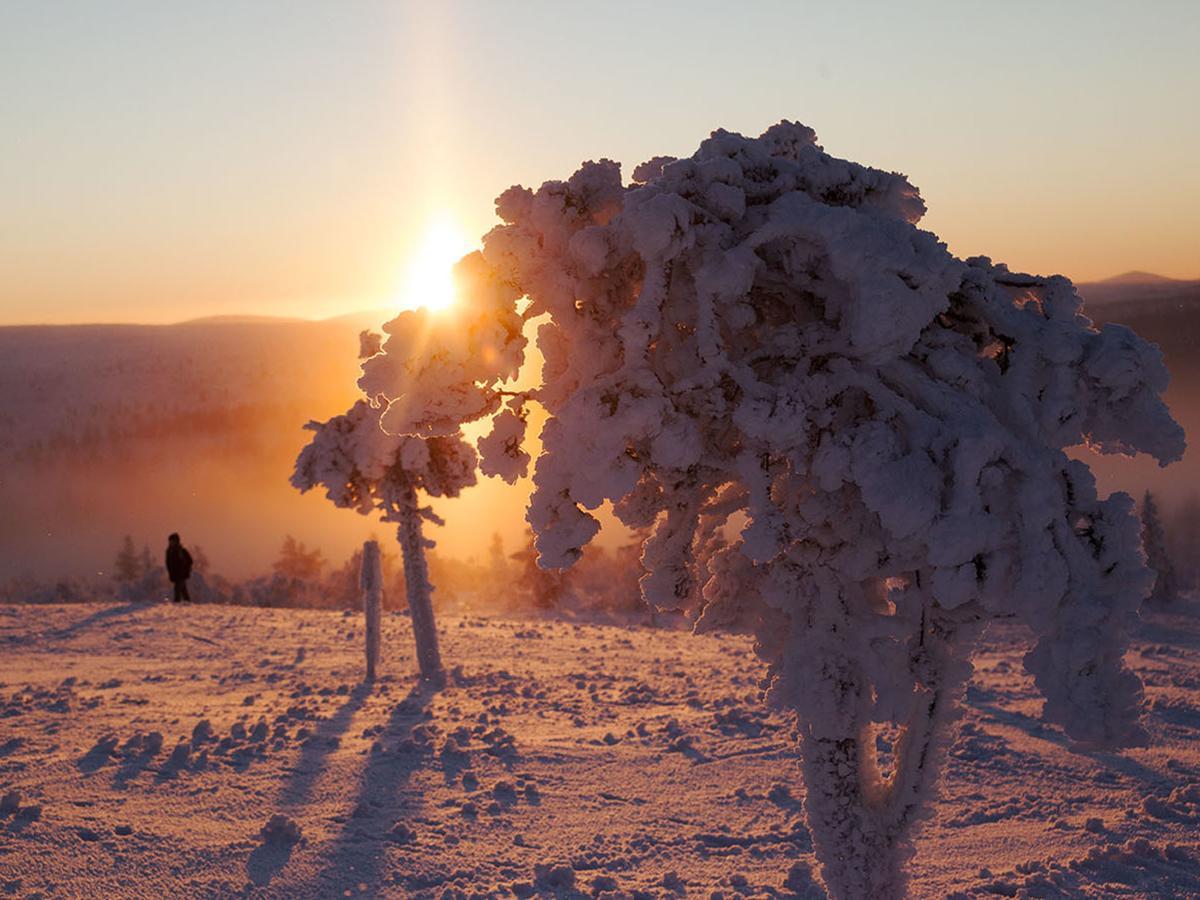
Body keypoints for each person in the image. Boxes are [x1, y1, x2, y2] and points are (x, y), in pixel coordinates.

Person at [165, 533, 193, 603]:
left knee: (177, 589)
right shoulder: (169, 551)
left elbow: (190, 561)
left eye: (173, 541)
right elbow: (168, 563)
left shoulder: (181, 551)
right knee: (183, 590)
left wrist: (184, 566)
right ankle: (188, 603)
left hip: (181, 574)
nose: (171, 542)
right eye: (170, 541)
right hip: (175, 574)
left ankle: (177, 604)